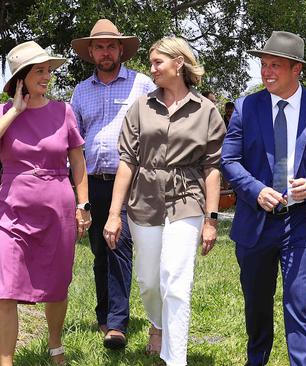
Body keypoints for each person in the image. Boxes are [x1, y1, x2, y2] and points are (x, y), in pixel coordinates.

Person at [221, 31, 306, 366]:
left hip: (303, 222)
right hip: (256, 221)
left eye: (275, 65)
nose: (266, 72)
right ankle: (256, 359)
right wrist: (255, 190)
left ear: (297, 69)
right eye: (263, 64)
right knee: (257, 304)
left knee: (299, 302)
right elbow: (228, 160)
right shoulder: (246, 107)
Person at [104, 36, 225, 366]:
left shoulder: (207, 111)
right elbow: (127, 161)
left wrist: (211, 220)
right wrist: (115, 214)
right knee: (149, 281)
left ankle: (176, 359)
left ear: (179, 64)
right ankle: (157, 323)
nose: (152, 68)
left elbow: (212, 168)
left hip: (187, 199)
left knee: (176, 280)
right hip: (143, 201)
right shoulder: (141, 107)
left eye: (158, 62)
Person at [0, 41, 89, 366]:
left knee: (57, 282)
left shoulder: (63, 111)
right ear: (22, 77)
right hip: (12, 211)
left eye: (48, 70)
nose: (47, 76)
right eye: (40, 70)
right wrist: (14, 111)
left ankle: (55, 345)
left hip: (58, 210)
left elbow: (78, 162)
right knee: (5, 286)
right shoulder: (1, 112)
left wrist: (84, 205)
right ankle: (6, 361)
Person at [70, 19, 155, 349]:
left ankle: (117, 324)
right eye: (99, 46)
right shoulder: (80, 91)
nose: (106, 52)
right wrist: (79, 197)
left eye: (111, 46)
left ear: (121, 49)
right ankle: (104, 313)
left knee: (118, 245)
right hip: (92, 182)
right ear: (91, 52)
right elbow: (74, 144)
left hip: (131, 182)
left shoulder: (142, 86)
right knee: (99, 251)